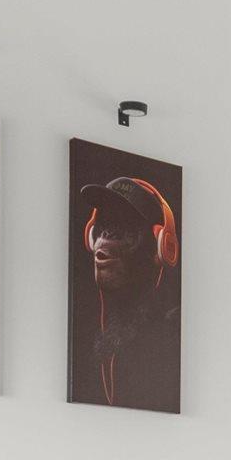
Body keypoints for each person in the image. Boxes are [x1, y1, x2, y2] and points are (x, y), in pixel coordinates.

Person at [72, 172, 181, 411]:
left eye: (126, 228)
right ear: (91, 237)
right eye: (105, 226)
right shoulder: (80, 329)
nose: (106, 237)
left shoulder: (172, 333)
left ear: (162, 248)